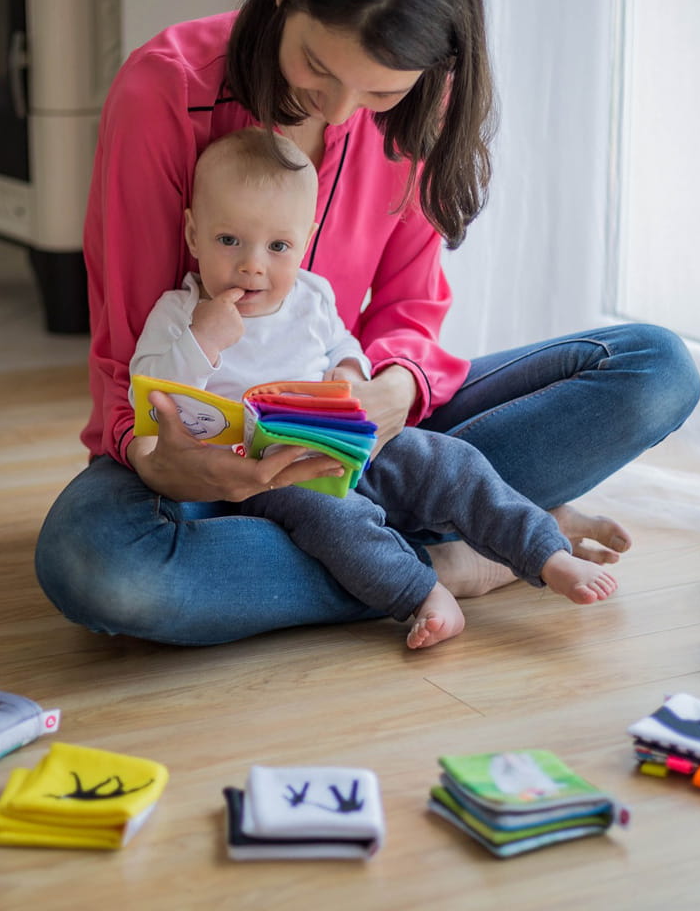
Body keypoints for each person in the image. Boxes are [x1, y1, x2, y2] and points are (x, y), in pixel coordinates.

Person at [35, 0, 700, 647]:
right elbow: (127, 350)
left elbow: (410, 306)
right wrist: (164, 465)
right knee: (98, 567)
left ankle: (421, 538)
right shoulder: (165, 91)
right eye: (319, 67)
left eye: (378, 94)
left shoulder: (420, 101)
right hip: (205, 461)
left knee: (656, 368)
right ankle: (458, 555)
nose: (342, 109)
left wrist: (390, 390)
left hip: (363, 440)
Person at [130, 128, 619, 649]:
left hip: (346, 440)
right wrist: (202, 340)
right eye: (229, 241)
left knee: (449, 462)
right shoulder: (178, 313)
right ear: (193, 234)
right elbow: (154, 396)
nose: (253, 264)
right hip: (271, 475)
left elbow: (345, 343)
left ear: (306, 239)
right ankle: (421, 591)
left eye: (278, 246)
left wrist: (349, 373)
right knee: (337, 520)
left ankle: (546, 552)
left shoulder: (311, 296)